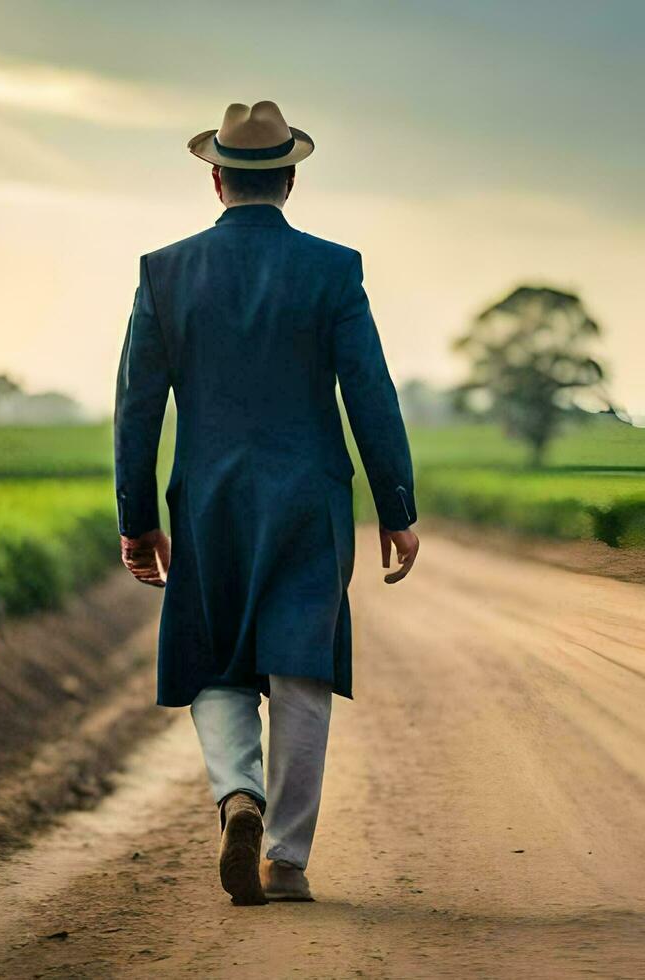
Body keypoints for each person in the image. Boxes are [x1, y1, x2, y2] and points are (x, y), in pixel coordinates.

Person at [113, 100, 419, 905]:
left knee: (217, 660)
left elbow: (137, 406)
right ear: (289, 180)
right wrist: (396, 504)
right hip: (308, 498)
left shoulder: (163, 270)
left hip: (208, 502)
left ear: (217, 179)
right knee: (300, 668)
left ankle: (236, 794)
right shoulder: (333, 268)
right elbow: (371, 394)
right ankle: (284, 859)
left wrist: (136, 519)